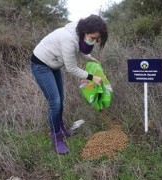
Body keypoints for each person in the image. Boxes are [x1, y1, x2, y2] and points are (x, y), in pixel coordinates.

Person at [30, 14, 108, 155]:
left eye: (97, 39)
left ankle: (62, 129)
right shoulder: (68, 39)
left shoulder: (80, 31)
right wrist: (91, 77)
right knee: (55, 102)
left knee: (61, 99)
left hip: (53, 64)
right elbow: (71, 68)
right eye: (93, 38)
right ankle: (56, 138)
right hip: (40, 64)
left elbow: (79, 49)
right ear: (85, 32)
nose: (95, 41)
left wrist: (90, 59)